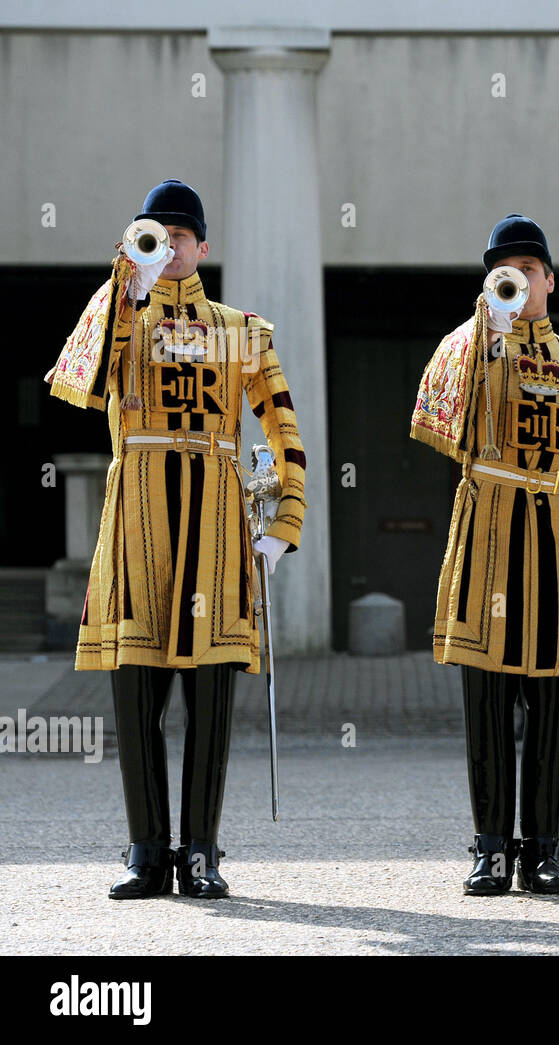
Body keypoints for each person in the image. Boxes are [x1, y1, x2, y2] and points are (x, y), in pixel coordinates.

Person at [45, 179, 308, 899]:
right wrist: (128, 287)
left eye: (179, 236)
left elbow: (283, 425)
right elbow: (82, 380)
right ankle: (144, 849)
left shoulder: (242, 329)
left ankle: (201, 849)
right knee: (136, 693)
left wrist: (284, 522)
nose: (170, 246)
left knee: (212, 693)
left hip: (220, 522)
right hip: (138, 520)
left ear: (203, 246)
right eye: (154, 234)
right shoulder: (119, 317)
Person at [410, 214, 559, 895]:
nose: (517, 282)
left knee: (555, 702)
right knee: (486, 698)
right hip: (489, 537)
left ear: (550, 279)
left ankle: (542, 845)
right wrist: (489, 332)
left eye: (528, 271)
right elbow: (441, 420)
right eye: (503, 272)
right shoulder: (470, 347)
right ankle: (487, 845)